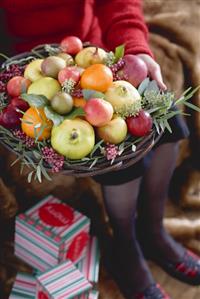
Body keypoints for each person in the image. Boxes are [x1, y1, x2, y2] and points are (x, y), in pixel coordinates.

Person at [0, 1, 199, 298]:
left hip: (94, 58)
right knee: (117, 153)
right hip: (34, 71)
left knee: (167, 120)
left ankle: (153, 232)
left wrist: (136, 49)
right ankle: (125, 247)